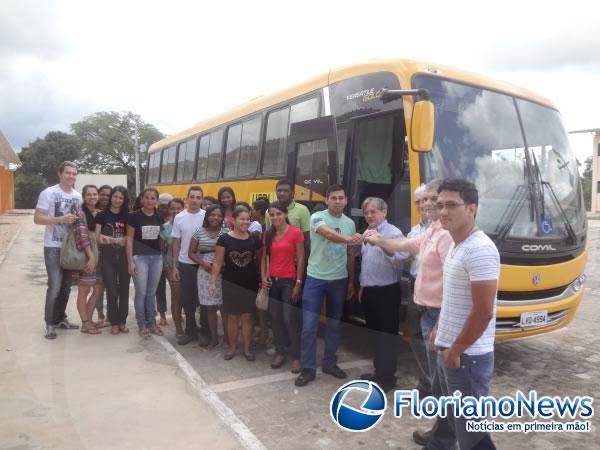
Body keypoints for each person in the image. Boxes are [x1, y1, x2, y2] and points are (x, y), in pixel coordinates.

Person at [420, 179, 500, 450]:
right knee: (448, 414)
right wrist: (438, 329)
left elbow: (483, 312)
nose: (442, 211)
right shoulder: (456, 245)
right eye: (439, 204)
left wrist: (455, 351)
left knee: (471, 432)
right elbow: (454, 299)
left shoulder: (480, 249)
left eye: (451, 205)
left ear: (472, 208)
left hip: (467, 358)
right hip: (449, 348)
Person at [295, 185, 361, 387]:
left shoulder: (349, 223)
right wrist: (350, 239)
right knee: (309, 326)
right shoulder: (317, 217)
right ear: (327, 200)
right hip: (315, 279)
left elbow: (350, 255)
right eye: (334, 198)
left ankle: (329, 363)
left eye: (341, 198)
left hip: (339, 280)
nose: (338, 201)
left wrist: (351, 280)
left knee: (334, 324)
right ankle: (308, 368)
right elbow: (328, 234)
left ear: (346, 200)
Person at [358, 197, 409, 392]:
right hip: (370, 291)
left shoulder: (393, 233)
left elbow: (401, 258)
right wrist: (363, 286)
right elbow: (366, 263)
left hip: (387, 292)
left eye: (373, 212)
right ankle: (378, 372)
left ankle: (388, 378)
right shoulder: (367, 232)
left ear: (384, 212)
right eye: (367, 213)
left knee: (387, 336)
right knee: (375, 335)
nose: (370, 215)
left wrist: (381, 244)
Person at [34, 161, 82, 339]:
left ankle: (61, 318)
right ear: (59, 174)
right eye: (68, 173)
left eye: (74, 173)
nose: (71, 176)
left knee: (67, 287)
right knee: (54, 285)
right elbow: (37, 219)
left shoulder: (77, 196)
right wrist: (60, 220)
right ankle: (50, 324)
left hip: (70, 247)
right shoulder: (49, 193)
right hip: (53, 246)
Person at [209, 206, 262, 361]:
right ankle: (232, 348)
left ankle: (247, 349)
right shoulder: (224, 239)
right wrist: (212, 282)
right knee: (232, 317)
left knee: (248, 317)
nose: (245, 222)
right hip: (230, 283)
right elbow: (217, 263)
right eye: (242, 219)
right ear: (234, 220)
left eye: (247, 219)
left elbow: (260, 260)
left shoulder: (254, 239)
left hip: (249, 283)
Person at [261, 202, 305, 372]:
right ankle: (280, 352)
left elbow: (301, 259)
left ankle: (296, 356)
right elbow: (264, 258)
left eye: (278, 214)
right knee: (275, 319)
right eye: (271, 215)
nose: (275, 218)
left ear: (286, 215)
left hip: (289, 282)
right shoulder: (269, 234)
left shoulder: (295, 233)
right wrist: (264, 277)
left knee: (289, 319)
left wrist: (298, 283)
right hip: (273, 282)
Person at [407, 184, 434, 396]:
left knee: (433, 340)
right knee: (415, 336)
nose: (423, 205)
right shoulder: (415, 231)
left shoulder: (444, 229)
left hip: (434, 291)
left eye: (427, 199)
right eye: (419, 201)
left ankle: (437, 385)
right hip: (414, 286)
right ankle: (426, 381)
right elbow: (403, 256)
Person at [171, 186, 207, 345]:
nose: (194, 200)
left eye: (198, 197)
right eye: (192, 197)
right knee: (188, 300)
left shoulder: (207, 216)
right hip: (185, 264)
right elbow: (176, 244)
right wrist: (174, 266)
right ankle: (190, 331)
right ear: (187, 199)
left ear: (202, 200)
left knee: (204, 300)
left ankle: (206, 331)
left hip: (204, 264)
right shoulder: (179, 217)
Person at [127, 188, 165, 337]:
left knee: (151, 293)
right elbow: (129, 239)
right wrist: (130, 261)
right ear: (142, 199)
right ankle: (142, 324)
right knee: (141, 293)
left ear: (157, 200)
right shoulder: (134, 216)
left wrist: (162, 254)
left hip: (156, 259)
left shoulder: (159, 217)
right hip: (139, 258)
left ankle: (152, 323)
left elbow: (161, 238)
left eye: (153, 198)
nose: (150, 200)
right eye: (147, 198)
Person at [189, 204, 227, 349]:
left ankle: (228, 337)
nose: (215, 218)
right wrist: (203, 264)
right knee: (210, 307)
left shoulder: (226, 231)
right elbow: (191, 253)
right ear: (207, 216)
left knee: (224, 307)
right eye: (212, 215)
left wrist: (222, 266)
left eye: (219, 215)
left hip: (223, 272)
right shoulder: (199, 231)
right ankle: (214, 338)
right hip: (205, 273)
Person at [95, 185, 130, 335]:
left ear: (124, 200)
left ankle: (122, 321)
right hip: (108, 258)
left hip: (124, 258)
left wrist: (110, 239)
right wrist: (116, 240)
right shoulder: (101, 215)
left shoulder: (128, 216)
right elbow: (98, 237)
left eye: (121, 198)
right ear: (111, 197)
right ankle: (113, 322)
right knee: (112, 291)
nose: (117, 200)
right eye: (115, 196)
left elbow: (131, 238)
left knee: (124, 291)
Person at [72, 185, 103, 334]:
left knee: (97, 289)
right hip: (86, 256)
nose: (92, 197)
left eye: (95, 194)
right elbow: (82, 237)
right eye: (89, 195)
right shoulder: (80, 213)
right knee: (84, 290)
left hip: (99, 256)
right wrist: (91, 257)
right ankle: (85, 323)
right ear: (84, 197)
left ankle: (89, 320)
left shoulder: (99, 213)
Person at [265, 178, 310, 255]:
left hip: (296, 259)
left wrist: (301, 259)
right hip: (276, 258)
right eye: (279, 191)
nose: (282, 193)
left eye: (286, 191)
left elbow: (306, 238)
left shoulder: (302, 210)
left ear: (292, 193)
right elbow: (269, 235)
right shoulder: (268, 211)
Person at [160, 198, 185, 337]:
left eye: (178, 208)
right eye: (172, 208)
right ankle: (178, 328)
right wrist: (167, 267)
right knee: (176, 295)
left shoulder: (188, 223)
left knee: (186, 296)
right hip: (172, 266)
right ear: (168, 210)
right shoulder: (165, 227)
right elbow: (162, 250)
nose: (175, 211)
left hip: (189, 266)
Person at [94, 184, 112, 325]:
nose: (105, 197)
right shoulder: (94, 213)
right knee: (99, 285)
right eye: (103, 194)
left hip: (112, 254)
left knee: (110, 284)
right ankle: (100, 313)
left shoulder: (114, 212)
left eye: (108, 194)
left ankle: (111, 315)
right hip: (97, 253)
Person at [156, 192, 174, 326]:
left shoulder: (175, 221)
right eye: (161, 206)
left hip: (170, 260)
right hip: (155, 259)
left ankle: (177, 312)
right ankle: (162, 315)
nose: (164, 209)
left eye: (167, 206)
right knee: (159, 288)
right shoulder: (154, 217)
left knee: (176, 288)